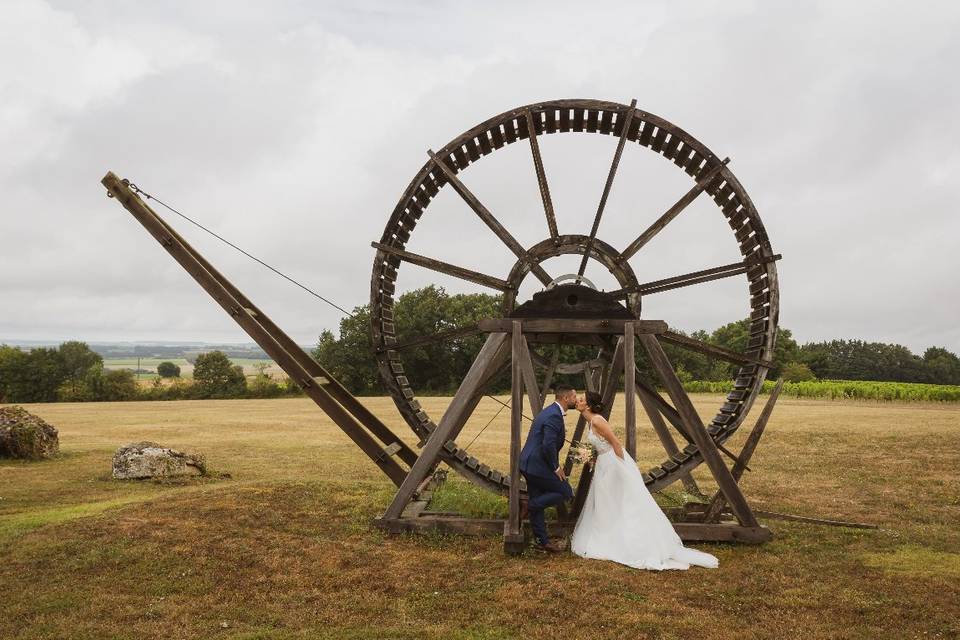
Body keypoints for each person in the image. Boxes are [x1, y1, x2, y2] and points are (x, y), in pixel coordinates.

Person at [569, 391, 719, 570]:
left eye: (581, 400)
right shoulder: (590, 422)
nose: (577, 401)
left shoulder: (598, 421)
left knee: (619, 500)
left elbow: (616, 443)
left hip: (613, 463)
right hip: (604, 462)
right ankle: (610, 535)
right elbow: (601, 445)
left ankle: (629, 542)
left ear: (588, 405)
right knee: (607, 501)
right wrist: (591, 457)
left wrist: (623, 468)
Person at [519, 384, 578, 553]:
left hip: (529, 464)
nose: (576, 399)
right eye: (574, 397)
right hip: (536, 465)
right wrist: (556, 467)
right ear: (565, 398)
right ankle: (529, 505)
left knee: (538, 497)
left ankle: (542, 541)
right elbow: (548, 445)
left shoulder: (550, 411)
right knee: (565, 492)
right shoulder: (554, 416)